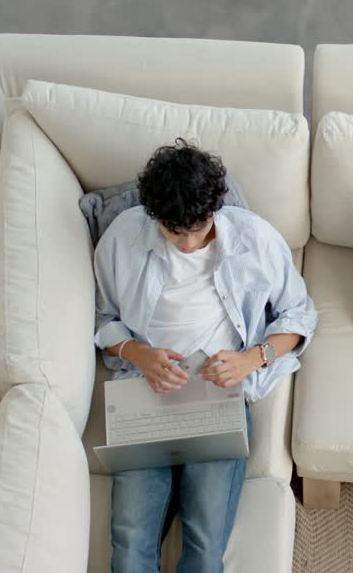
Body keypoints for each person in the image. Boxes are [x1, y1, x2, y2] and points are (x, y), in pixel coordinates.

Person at [93, 139, 317, 573]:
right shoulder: (123, 236)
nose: (190, 243)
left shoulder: (253, 237)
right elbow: (103, 318)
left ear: (216, 208)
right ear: (153, 216)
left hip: (219, 396)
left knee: (205, 540)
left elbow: (300, 314)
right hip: (144, 395)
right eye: (175, 232)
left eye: (199, 228)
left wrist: (253, 358)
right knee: (130, 540)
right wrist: (139, 354)